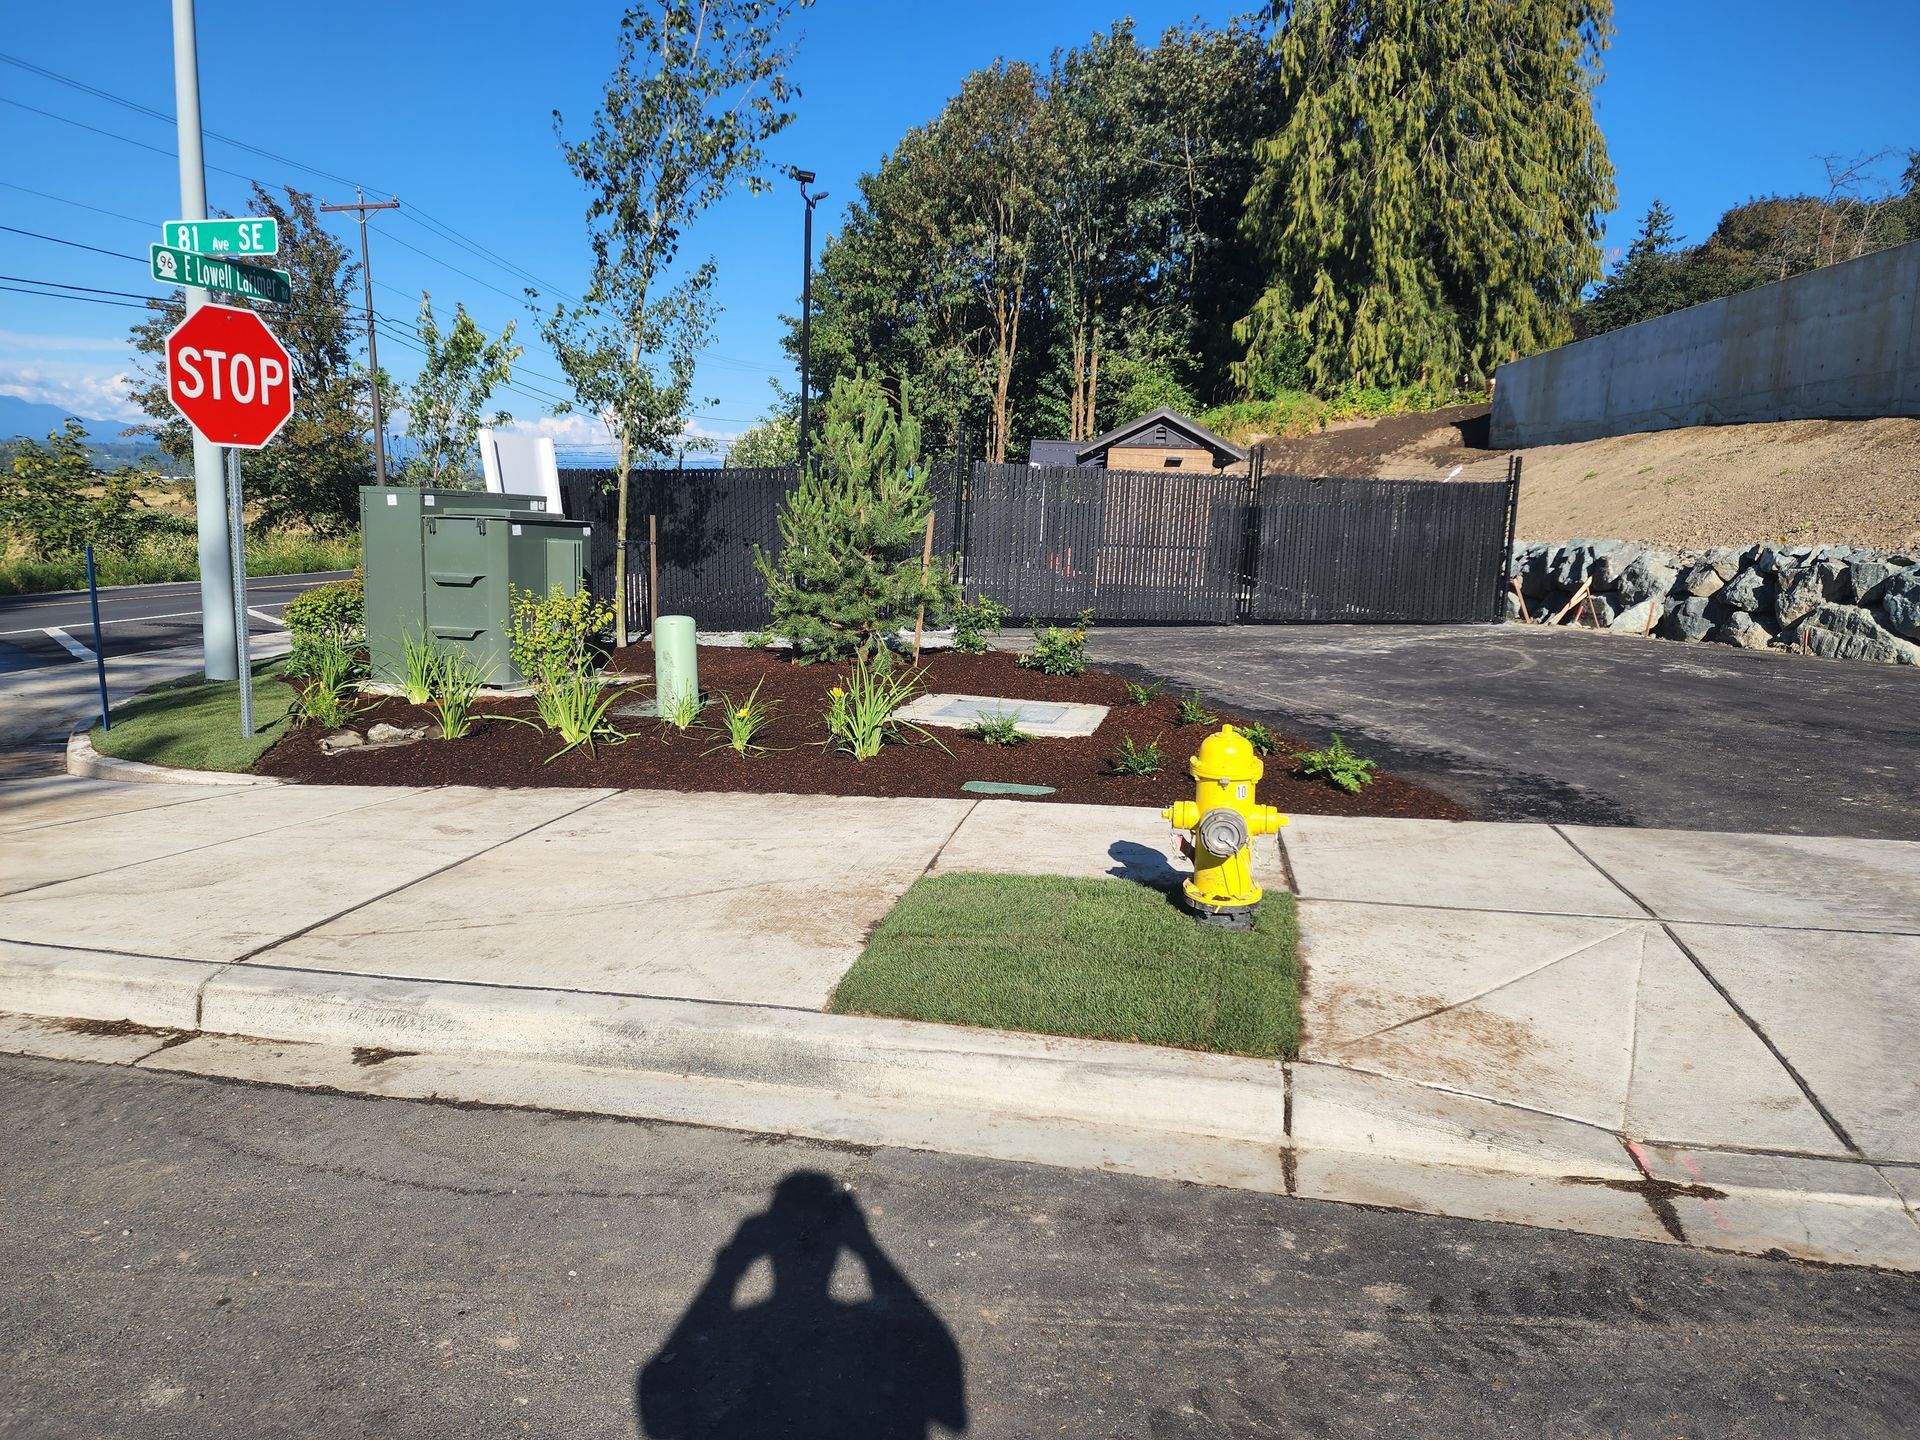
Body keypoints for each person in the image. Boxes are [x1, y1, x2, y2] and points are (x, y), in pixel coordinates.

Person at [638, 1170, 967, 1439]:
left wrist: (731, 1268)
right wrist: (868, 1249)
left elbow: (662, 1388)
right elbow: (947, 1396)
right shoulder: (869, 1331)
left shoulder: (741, 1330)